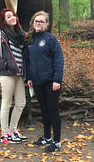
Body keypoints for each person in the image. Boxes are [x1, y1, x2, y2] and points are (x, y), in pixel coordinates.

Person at [23, 11, 64, 153]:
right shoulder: (29, 39)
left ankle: (56, 142)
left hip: (51, 81)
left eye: (41, 21)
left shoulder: (51, 39)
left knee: (52, 110)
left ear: (47, 24)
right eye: (36, 21)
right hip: (37, 81)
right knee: (44, 110)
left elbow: (58, 60)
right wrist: (28, 77)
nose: (38, 23)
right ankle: (47, 137)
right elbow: (27, 61)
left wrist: (57, 79)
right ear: (32, 23)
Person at [0, 8, 28, 143]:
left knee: (20, 103)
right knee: (6, 104)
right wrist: (6, 65)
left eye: (13, 15)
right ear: (4, 21)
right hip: (7, 74)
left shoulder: (22, 34)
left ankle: (13, 130)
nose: (12, 18)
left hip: (20, 74)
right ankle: (4, 134)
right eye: (8, 16)